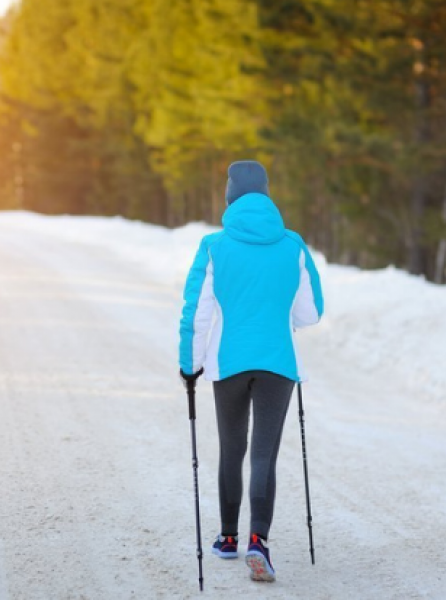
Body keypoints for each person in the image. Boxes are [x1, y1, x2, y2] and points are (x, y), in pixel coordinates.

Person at [178, 160, 324, 583]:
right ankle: (259, 541)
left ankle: (227, 538)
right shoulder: (293, 245)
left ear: (229, 196)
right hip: (278, 364)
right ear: (266, 194)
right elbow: (311, 312)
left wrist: (190, 365)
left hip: (229, 364)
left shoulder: (213, 246)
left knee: (232, 447)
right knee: (264, 454)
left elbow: (196, 313)